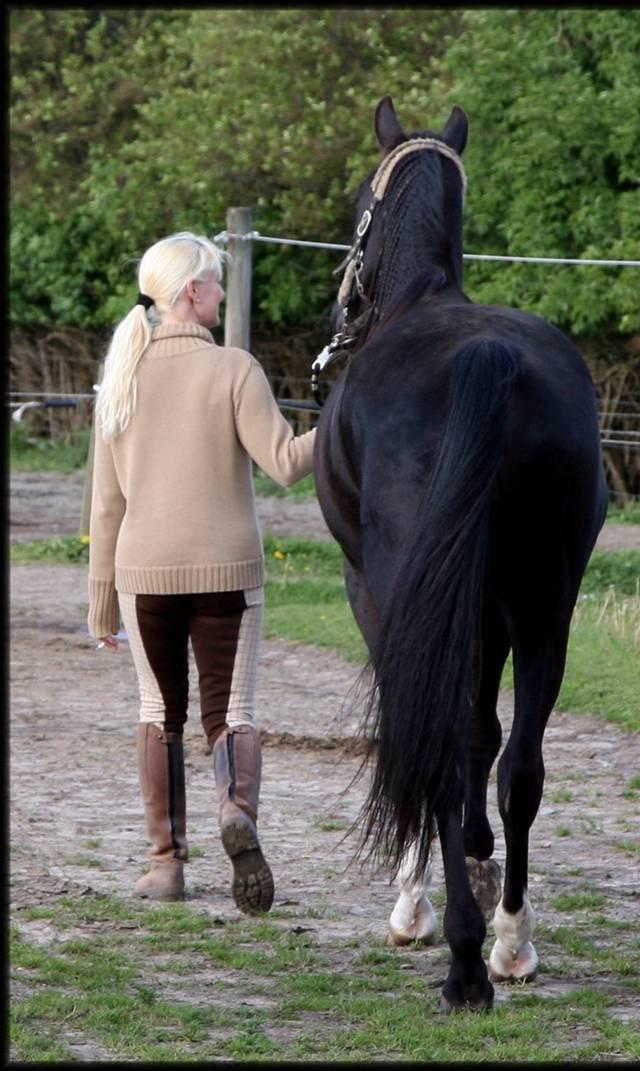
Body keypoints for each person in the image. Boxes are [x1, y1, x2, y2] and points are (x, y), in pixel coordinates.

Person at [87, 231, 316, 912]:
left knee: (160, 713)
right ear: (194, 292)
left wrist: (102, 604)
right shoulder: (234, 369)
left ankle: (165, 864)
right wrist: (348, 422)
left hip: (142, 575)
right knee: (232, 712)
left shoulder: (122, 375)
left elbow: (105, 504)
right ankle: (235, 805)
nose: (223, 292)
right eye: (217, 281)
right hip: (229, 572)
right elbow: (284, 462)